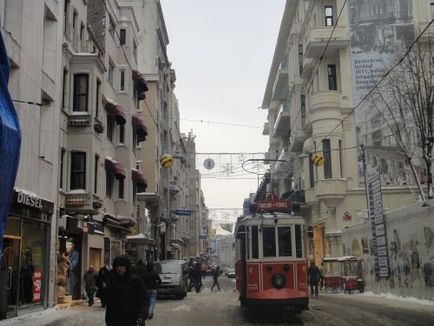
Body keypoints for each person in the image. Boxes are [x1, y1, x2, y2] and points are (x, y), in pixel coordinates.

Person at [104, 255, 148, 326]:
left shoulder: (136, 281)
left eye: (122, 266)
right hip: (115, 320)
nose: (119, 268)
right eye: (117, 266)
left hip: (132, 320)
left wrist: (142, 316)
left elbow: (144, 299)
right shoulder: (112, 281)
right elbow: (109, 302)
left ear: (126, 267)